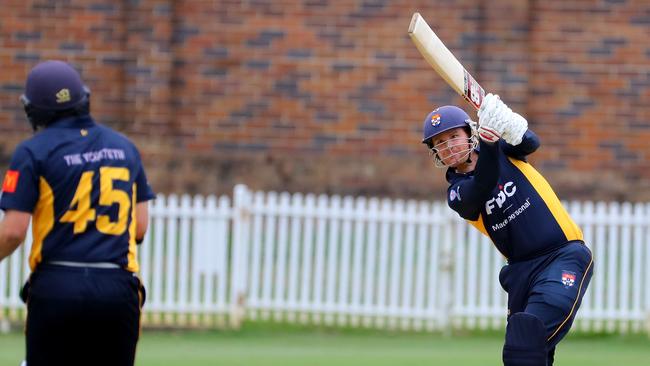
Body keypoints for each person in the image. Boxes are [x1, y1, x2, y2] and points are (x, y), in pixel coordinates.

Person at [0, 60, 155, 366]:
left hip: (58, 285)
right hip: (117, 288)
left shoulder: (33, 151)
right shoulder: (126, 148)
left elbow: (13, 232)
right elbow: (139, 228)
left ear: (37, 110)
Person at [421, 95, 593, 366]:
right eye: (439, 144)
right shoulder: (456, 193)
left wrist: (510, 123)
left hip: (563, 255)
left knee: (526, 340)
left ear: (469, 133)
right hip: (521, 272)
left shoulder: (501, 150)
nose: (448, 147)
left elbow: (531, 143)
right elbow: (483, 183)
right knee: (523, 354)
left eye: (453, 136)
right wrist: (490, 141)